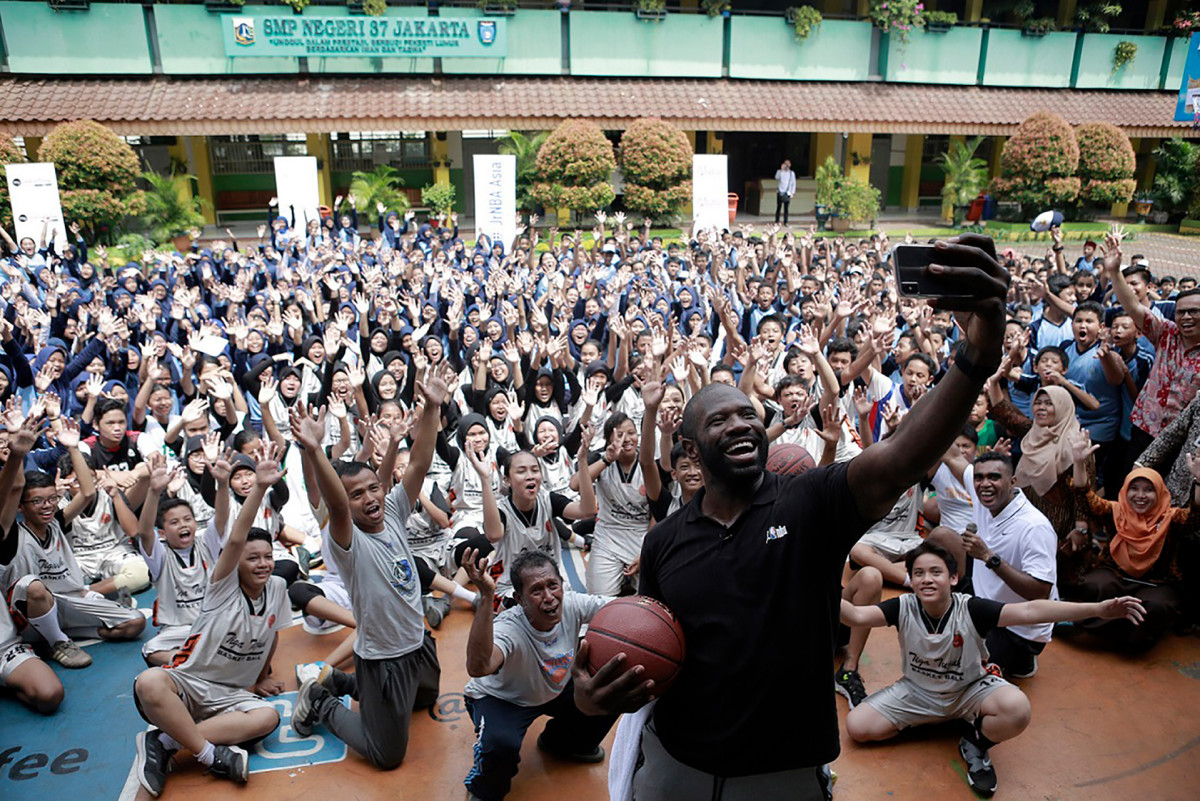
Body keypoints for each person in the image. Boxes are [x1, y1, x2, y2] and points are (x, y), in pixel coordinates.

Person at [574, 234, 1011, 799]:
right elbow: (652, 649)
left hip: (783, 773)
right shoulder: (665, 545)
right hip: (677, 765)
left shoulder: (810, 501)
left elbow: (900, 457)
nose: (739, 424)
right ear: (690, 452)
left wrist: (975, 360)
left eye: (747, 414)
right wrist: (591, 700)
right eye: (718, 421)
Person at [840, 540, 1146, 797]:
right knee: (858, 728)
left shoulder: (972, 608)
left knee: (1017, 708)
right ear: (910, 579)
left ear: (954, 577)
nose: (927, 579)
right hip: (918, 692)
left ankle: (975, 742)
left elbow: (1030, 610)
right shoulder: (902, 607)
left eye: (936, 572)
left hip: (969, 690)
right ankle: (943, 720)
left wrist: (1098, 609)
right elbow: (853, 615)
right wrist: (814, 582)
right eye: (918, 573)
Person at [290, 364, 452, 770]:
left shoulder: (395, 511)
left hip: (418, 645)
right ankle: (320, 700)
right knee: (386, 756)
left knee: (426, 700)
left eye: (372, 488)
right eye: (356, 494)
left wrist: (431, 406)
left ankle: (342, 681)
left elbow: (419, 462)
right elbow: (338, 505)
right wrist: (313, 450)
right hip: (382, 661)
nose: (368, 498)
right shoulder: (348, 540)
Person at [131, 443, 289, 798]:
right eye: (253, 559)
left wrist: (262, 677)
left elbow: (272, 636)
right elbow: (234, 536)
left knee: (268, 718)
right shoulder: (221, 586)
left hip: (230, 693)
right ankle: (208, 754)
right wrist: (260, 487)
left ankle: (165, 740)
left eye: (268, 557)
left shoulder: (277, 587)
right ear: (236, 564)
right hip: (191, 680)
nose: (262, 564)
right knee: (150, 681)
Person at [461, 549, 616, 801]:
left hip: (554, 687)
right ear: (520, 599)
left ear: (562, 585)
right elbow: (479, 667)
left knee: (609, 690)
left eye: (552, 585)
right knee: (501, 745)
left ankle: (562, 743)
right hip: (504, 698)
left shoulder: (573, 604)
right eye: (536, 591)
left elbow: (620, 609)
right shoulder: (509, 627)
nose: (549, 597)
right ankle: (483, 788)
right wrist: (487, 596)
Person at [0, 412, 145, 669]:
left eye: (51, 499)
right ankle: (57, 641)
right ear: (21, 507)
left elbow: (88, 492)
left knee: (135, 623)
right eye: (37, 501)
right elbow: (13, 489)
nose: (46, 506)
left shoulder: (57, 521)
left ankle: (63, 634)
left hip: (69, 601)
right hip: (29, 610)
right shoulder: (12, 532)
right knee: (33, 586)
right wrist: (17, 452)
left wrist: (72, 448)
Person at [1063, 432, 1200, 648]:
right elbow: (1085, 500)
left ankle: (1083, 624)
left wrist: (1199, 482)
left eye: (1148, 490)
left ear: (1160, 493)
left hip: (1157, 584)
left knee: (1156, 606)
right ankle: (1120, 633)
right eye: (1134, 489)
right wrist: (1079, 463)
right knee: (1094, 585)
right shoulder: (1115, 511)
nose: (1140, 495)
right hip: (1115, 574)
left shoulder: (1170, 518)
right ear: (1125, 491)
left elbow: (1196, 517)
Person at [962, 451, 1059, 678]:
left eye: (994, 477)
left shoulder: (1034, 527)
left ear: (1012, 481)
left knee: (966, 673)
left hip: (1019, 629)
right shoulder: (984, 496)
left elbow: (1040, 591)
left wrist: (988, 557)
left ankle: (1022, 661)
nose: (985, 484)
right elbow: (952, 456)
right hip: (987, 607)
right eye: (979, 477)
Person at [774, 159, 796, 225]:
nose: (787, 166)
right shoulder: (780, 172)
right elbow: (776, 177)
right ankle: (777, 221)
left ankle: (786, 222)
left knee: (786, 209)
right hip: (780, 191)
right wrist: (781, 169)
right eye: (785, 164)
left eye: (788, 164)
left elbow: (793, 183)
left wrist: (792, 193)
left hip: (787, 192)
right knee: (778, 207)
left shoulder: (791, 173)